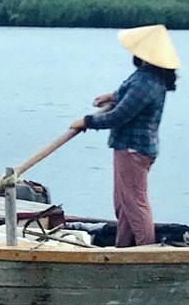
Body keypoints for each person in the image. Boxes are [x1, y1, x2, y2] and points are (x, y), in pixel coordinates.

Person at [72, 25, 178, 247]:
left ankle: (145, 251)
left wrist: (87, 121)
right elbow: (128, 97)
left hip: (133, 149)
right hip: (130, 147)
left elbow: (120, 115)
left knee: (134, 204)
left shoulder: (147, 81)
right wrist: (111, 96)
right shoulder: (147, 76)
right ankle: (123, 247)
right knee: (123, 204)